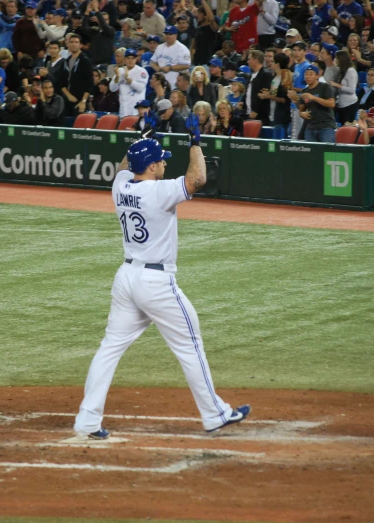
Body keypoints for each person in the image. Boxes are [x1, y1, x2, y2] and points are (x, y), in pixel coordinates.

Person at [73, 120, 251, 439]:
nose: (166, 164)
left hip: (127, 278)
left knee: (110, 348)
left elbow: (123, 167)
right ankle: (215, 414)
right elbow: (198, 178)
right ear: (152, 166)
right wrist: (195, 142)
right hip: (155, 283)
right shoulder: (159, 192)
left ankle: (87, 421)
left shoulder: (121, 185)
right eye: (162, 160)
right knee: (190, 344)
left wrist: (141, 140)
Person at [288, 64, 336, 142]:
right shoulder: (304, 91)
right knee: (311, 153)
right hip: (310, 127)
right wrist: (300, 112)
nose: (308, 76)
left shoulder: (325, 87)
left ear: (317, 76)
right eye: (306, 74)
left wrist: (313, 98)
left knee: (327, 152)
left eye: (311, 74)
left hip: (325, 127)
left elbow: (331, 104)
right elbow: (301, 109)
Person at [62, 32, 94, 115]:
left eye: (76, 42)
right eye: (71, 42)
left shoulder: (85, 60)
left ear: (80, 45)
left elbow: (90, 83)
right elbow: (62, 82)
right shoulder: (66, 61)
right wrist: (68, 96)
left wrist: (83, 101)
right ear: (68, 44)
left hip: (80, 101)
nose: (74, 44)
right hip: (68, 100)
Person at [110, 48, 148, 116]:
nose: (130, 60)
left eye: (133, 58)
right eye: (128, 58)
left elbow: (140, 88)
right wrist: (117, 77)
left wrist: (127, 78)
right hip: (124, 109)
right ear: (124, 59)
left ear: (136, 59)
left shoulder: (142, 71)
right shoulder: (120, 71)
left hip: (137, 110)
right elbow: (112, 89)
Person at [151, 25, 191, 90]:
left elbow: (186, 65)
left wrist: (170, 68)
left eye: (170, 34)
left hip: (174, 84)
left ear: (176, 35)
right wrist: (156, 68)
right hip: (160, 84)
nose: (167, 36)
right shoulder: (160, 47)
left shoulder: (182, 49)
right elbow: (152, 62)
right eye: (166, 34)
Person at [244, 49, 272, 123]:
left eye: (249, 59)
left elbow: (264, 95)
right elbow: (247, 92)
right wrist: (241, 102)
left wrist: (256, 111)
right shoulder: (250, 76)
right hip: (248, 114)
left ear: (255, 60)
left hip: (260, 116)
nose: (247, 62)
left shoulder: (266, 75)